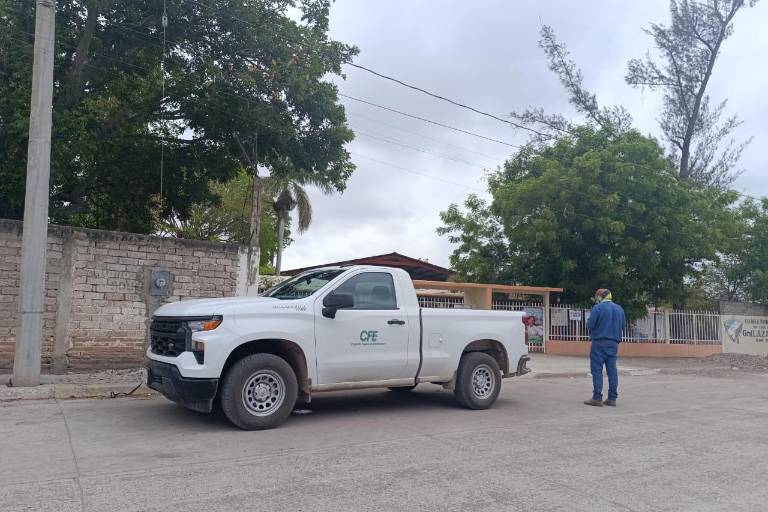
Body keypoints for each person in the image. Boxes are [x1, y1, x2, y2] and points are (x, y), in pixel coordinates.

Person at [584, 288, 625, 407]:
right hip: (614, 344)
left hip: (599, 343)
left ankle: (597, 397)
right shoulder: (619, 309)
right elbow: (622, 325)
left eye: (597, 296)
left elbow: (590, 325)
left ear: (601, 296)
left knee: (597, 370)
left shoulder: (598, 308)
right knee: (612, 370)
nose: (596, 299)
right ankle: (612, 398)